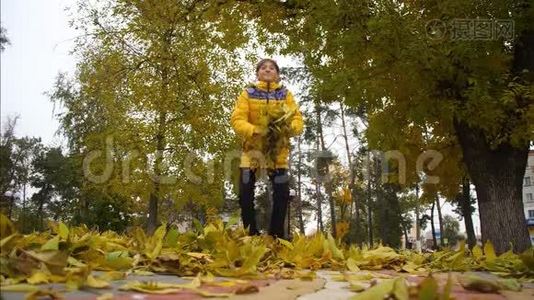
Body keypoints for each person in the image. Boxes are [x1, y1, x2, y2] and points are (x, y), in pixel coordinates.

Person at [230, 58, 304, 239]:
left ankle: (276, 236)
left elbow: (297, 119)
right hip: (252, 150)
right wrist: (254, 130)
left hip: (277, 152)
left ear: (278, 74)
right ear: (257, 73)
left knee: (282, 193)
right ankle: (251, 234)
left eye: (272, 68)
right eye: (263, 67)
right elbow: (237, 119)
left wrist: (289, 128)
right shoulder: (248, 92)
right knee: (245, 191)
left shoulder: (285, 94)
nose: (268, 70)